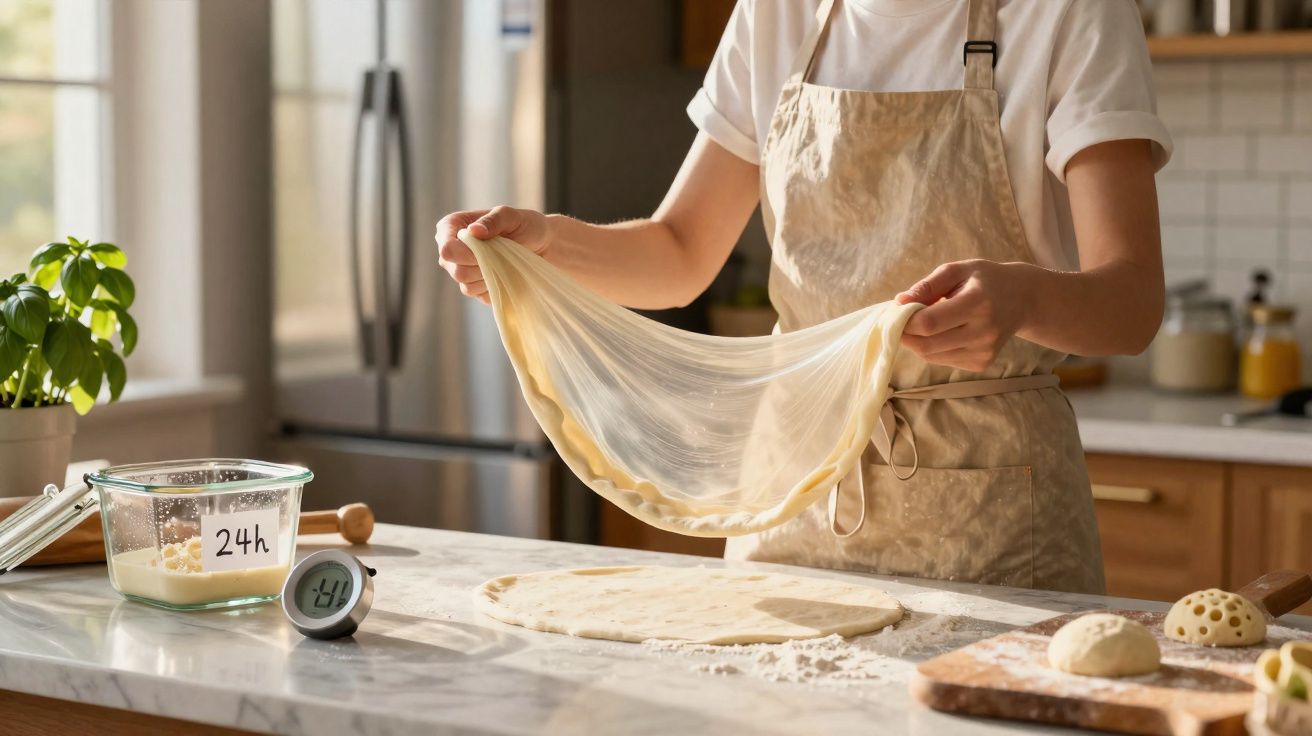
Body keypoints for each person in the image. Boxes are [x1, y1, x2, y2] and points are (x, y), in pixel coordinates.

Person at [435, 0, 1171, 594]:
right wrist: (549, 247)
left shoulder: (1071, 13)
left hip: (997, 509)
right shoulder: (776, 14)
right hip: (793, 498)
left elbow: (1132, 301)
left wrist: (1024, 299)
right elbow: (682, 252)